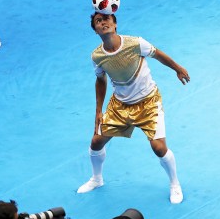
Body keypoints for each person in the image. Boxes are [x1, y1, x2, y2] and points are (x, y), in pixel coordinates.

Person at [77, 13, 190, 204]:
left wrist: (177, 68)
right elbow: (100, 80)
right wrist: (98, 110)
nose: (103, 22)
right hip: (120, 106)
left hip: (148, 102)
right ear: (95, 29)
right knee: (96, 142)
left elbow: (158, 54)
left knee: (159, 147)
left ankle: (175, 184)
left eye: (106, 19)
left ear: (115, 23)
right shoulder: (97, 56)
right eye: (98, 21)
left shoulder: (135, 43)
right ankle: (97, 179)